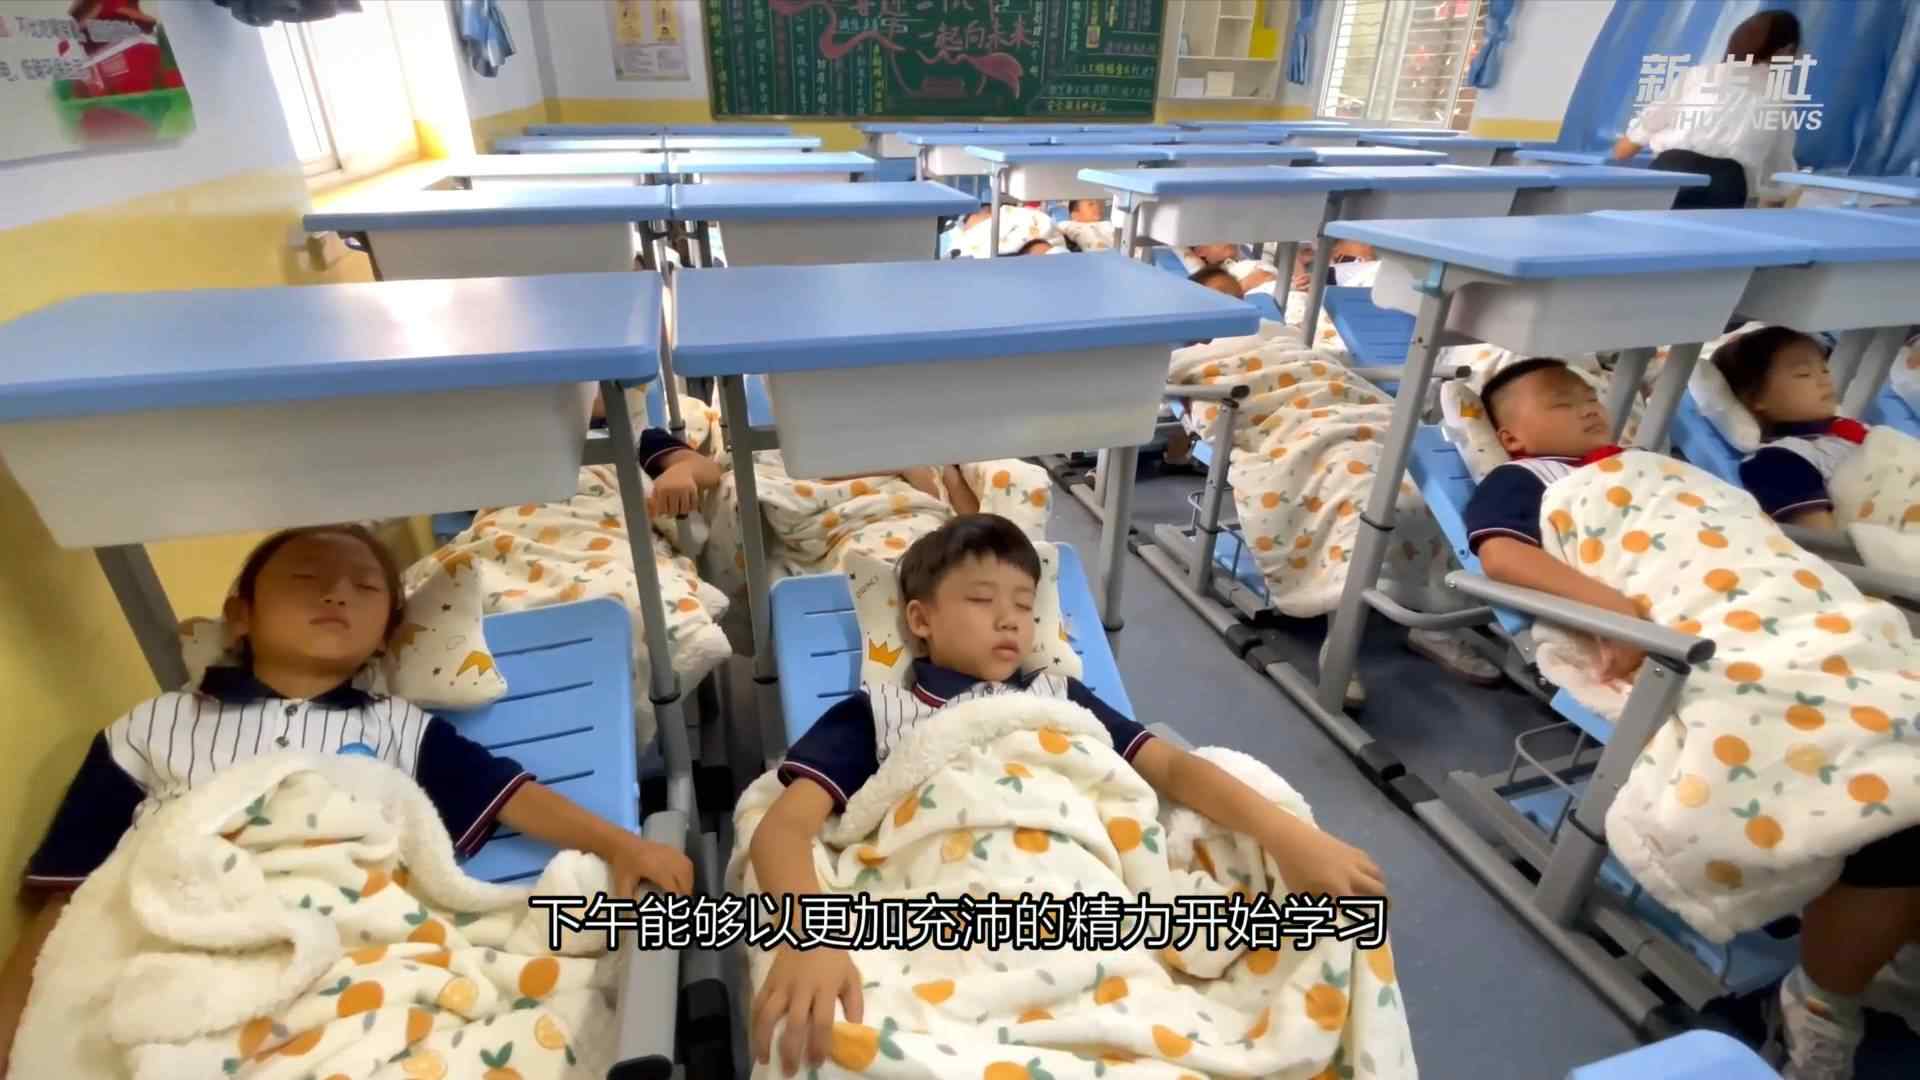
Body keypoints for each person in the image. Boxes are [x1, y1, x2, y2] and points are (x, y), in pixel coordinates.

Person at [0, 525, 695, 1073]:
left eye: (364, 587)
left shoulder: (395, 726)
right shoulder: (150, 728)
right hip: (178, 934)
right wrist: (13, 1028)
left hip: (343, 931)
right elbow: (72, 896)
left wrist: (621, 845)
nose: (335, 595)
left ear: (387, 633)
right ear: (240, 615)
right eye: (306, 579)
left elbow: (509, 793)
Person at [744, 515, 1386, 1075]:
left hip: (1085, 893)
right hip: (944, 901)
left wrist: (1290, 836)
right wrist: (809, 939)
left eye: (1026, 606)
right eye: (981, 599)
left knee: (1335, 917)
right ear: (920, 619)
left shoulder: (1059, 699)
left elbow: (1174, 769)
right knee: (819, 1037)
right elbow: (784, 828)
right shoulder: (881, 713)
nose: (1010, 619)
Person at [1462, 357, 1920, 1079]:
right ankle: (1818, 1005)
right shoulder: (1525, 480)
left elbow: (1750, 538)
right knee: (1890, 802)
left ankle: (1875, 942)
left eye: (1587, 394)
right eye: (1560, 400)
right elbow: (1501, 556)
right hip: (1703, 625)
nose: (1587, 405)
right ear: (1513, 437)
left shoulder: (1662, 466)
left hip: (1795, 604)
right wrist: (1617, 611)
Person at [1613, 9, 1802, 209]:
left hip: (1667, 172)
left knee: (1646, 228)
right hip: (1723, 185)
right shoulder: (1777, 97)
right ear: (1786, 50)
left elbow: (1636, 138)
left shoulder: (1697, 75)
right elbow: (1777, 171)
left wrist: (1622, 152)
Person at [1715, 325, 1859, 531]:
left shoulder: (1850, 430)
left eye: (1824, 369)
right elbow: (1823, 539)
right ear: (1756, 397)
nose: (1824, 380)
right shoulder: (1776, 461)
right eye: (1803, 374)